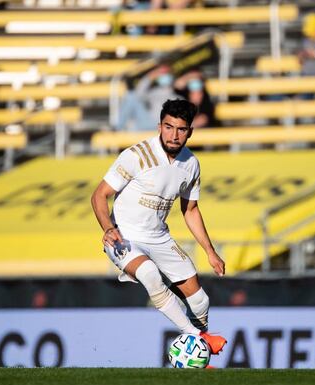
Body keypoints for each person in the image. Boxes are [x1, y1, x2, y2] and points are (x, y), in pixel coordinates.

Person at [91, 99, 227, 358]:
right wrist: (108, 228)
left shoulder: (191, 164)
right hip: (124, 237)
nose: (174, 135)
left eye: (181, 129)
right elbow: (99, 195)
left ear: (190, 132)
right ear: (159, 126)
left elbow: (191, 210)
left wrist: (210, 251)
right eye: (168, 127)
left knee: (200, 301)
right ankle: (201, 338)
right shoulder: (136, 155)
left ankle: (196, 358)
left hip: (159, 237)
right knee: (150, 273)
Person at [117, 65, 179, 131]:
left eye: (166, 74)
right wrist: (150, 77)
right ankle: (118, 128)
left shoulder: (177, 96)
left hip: (164, 125)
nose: (164, 76)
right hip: (148, 122)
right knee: (131, 95)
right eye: (161, 74)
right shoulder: (153, 92)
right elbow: (138, 95)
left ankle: (118, 128)